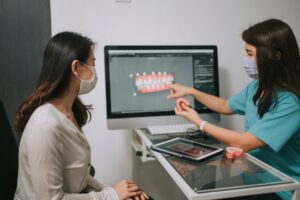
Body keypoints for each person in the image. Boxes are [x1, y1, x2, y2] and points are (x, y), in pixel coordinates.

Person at [167, 18, 300, 200]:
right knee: (205, 190)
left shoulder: (291, 102)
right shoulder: (257, 87)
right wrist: (190, 91)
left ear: (275, 56)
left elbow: (244, 142)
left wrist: (199, 122)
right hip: (255, 177)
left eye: (250, 53)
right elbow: (224, 106)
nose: (246, 60)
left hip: (283, 189)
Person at [14, 31, 149, 200]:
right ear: (76, 68)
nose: (95, 71)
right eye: (92, 63)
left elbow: (78, 177)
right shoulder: (45, 127)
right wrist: (111, 195)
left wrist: (116, 192)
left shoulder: (69, 112)